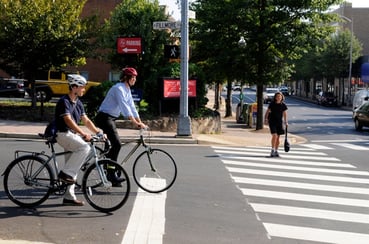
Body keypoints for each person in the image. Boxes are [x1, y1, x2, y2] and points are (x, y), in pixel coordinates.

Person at [56, 74, 104, 206]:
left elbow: (86, 120)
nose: (84, 89)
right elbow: (68, 120)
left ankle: (68, 197)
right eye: (82, 87)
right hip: (63, 134)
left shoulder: (78, 103)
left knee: (74, 166)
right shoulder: (64, 101)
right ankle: (65, 174)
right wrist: (83, 134)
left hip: (71, 136)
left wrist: (97, 132)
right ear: (74, 87)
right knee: (84, 148)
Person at [95, 67, 146, 183]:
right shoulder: (119, 89)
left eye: (135, 78)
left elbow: (132, 107)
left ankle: (109, 169)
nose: (135, 80)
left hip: (110, 118)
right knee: (117, 144)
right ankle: (111, 174)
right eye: (133, 78)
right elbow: (124, 108)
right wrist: (135, 123)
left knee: (112, 145)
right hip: (104, 118)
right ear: (126, 78)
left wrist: (140, 121)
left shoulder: (127, 89)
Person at [264, 91, 288, 157]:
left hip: (279, 122)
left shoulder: (283, 105)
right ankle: (272, 150)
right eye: (277, 96)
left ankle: (276, 151)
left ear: (282, 97)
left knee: (278, 138)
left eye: (280, 96)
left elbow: (285, 114)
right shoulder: (272, 104)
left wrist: (286, 122)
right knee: (274, 135)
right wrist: (265, 119)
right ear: (275, 97)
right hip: (272, 121)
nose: (278, 98)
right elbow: (267, 112)